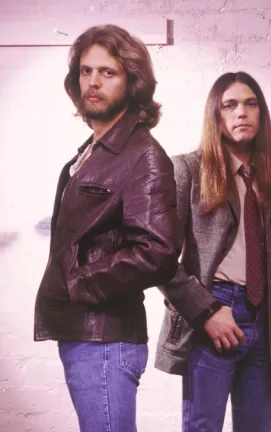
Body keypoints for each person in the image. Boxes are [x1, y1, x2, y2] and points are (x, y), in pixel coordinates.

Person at [33, 24, 177, 432]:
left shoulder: (143, 155)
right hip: (85, 336)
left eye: (108, 72)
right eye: (86, 71)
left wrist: (81, 283)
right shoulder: (92, 152)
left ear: (133, 81)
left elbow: (158, 252)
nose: (93, 82)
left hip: (105, 340)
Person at [154, 71, 271, 432]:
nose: (242, 112)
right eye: (230, 105)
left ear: (261, 114)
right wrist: (206, 311)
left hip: (265, 321)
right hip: (213, 312)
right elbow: (161, 258)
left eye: (250, 104)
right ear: (216, 115)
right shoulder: (188, 170)